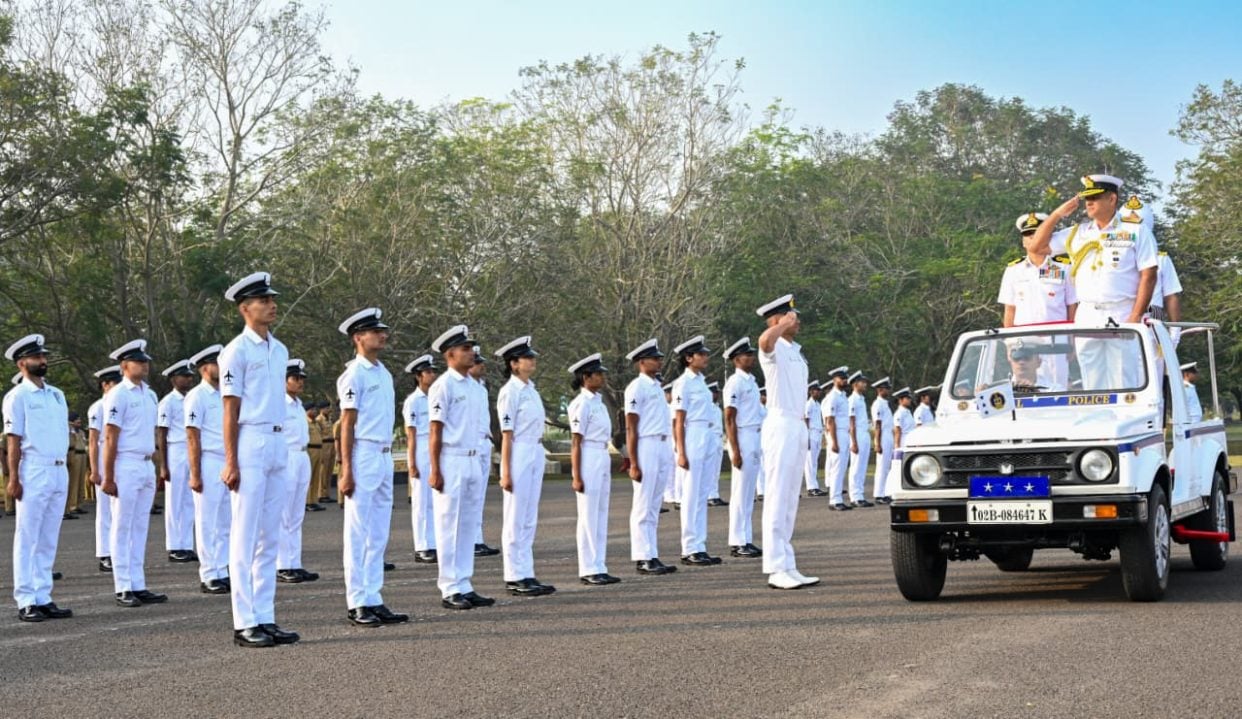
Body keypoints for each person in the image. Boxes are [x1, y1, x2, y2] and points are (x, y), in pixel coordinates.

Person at [218, 271, 299, 648]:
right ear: (245, 308)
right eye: (264, 301)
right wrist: (230, 459)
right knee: (245, 535)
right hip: (250, 441)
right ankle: (244, 621)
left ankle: (265, 615)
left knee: (271, 535)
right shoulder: (235, 351)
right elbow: (230, 409)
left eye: (272, 300)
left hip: (278, 440)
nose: (272, 305)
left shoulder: (279, 349)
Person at [1033, 174, 1158, 389]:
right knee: (1092, 382)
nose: (1089, 203)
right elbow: (1036, 247)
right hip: (1088, 312)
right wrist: (1056, 214)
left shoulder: (1135, 230)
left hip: (1122, 311)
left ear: (1112, 199)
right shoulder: (1078, 233)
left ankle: (1124, 421)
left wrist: (1135, 315)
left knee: (1123, 380)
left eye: (1096, 197)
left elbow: (1149, 273)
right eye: (1086, 199)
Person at [336, 308, 405, 627]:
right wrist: (345, 468)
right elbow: (346, 425)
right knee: (358, 531)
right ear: (358, 337)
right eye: (375, 331)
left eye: (383, 330)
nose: (382, 335)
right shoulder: (354, 375)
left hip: (383, 454)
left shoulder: (383, 373)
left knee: (378, 532)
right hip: (362, 453)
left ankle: (374, 596)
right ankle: (357, 601)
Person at [4, 334, 73, 622]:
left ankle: (44, 595)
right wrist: (13, 477)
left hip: (59, 469)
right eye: (36, 358)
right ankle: (26, 599)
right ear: (22, 363)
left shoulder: (56, 394)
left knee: (48, 537)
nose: (43, 361)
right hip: (33, 470)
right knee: (28, 537)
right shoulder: (17, 396)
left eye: (43, 357)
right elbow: (13, 440)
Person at [428, 325, 495, 610]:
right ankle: (449, 586)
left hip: (473, 457)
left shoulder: (475, 387)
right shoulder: (443, 385)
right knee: (449, 524)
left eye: (472, 348)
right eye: (465, 349)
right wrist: (435, 468)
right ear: (450, 354)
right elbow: (435, 430)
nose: (471, 353)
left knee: (468, 523)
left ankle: (465, 582)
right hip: (451, 458)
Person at [755, 295, 819, 590]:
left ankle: (788, 563)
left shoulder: (795, 350)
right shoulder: (774, 345)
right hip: (779, 422)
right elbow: (763, 342)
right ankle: (775, 567)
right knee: (778, 497)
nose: (798, 320)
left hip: (797, 423)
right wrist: (781, 325)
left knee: (791, 497)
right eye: (792, 315)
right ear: (777, 318)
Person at [101, 339, 167, 609]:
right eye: (139, 361)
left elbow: (152, 433)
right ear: (124, 366)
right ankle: (123, 586)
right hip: (125, 463)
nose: (144, 365)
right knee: (122, 526)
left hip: (144, 462)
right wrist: (108, 475)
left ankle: (138, 583)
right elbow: (110, 436)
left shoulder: (149, 394)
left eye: (145, 361)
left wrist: (158, 465)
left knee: (140, 526)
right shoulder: (118, 394)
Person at [494, 336, 554, 597]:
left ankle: (527, 572)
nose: (533, 361)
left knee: (529, 516)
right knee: (515, 517)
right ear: (514, 364)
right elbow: (506, 434)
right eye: (527, 358)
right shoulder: (510, 392)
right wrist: (505, 471)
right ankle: (514, 574)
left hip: (535, 449)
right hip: (518, 450)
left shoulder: (531, 389)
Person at [623, 338, 677, 576]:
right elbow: (631, 428)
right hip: (646, 445)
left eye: (659, 358)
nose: (659, 361)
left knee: (655, 504)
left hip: (662, 445)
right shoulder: (637, 387)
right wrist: (633, 462)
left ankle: (652, 553)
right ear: (642, 362)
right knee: (643, 505)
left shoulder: (656, 386)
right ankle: (642, 556)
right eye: (654, 358)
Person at [566, 353, 620, 586]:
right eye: (598, 373)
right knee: (588, 515)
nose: (602, 377)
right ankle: (588, 567)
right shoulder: (581, 404)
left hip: (601, 453)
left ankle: (599, 564)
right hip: (587, 455)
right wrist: (576, 475)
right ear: (586, 377)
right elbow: (576, 442)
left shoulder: (597, 402)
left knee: (600, 514)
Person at [670, 335, 722, 567]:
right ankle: (689, 547)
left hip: (707, 435)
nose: (705, 358)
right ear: (688, 358)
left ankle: (700, 545)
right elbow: (678, 421)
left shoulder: (700, 381)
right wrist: (680, 451)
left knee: (702, 494)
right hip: (692, 436)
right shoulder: (683, 383)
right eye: (700, 354)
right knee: (690, 495)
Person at [184, 344, 231, 595]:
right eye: (216, 363)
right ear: (205, 368)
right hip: (209, 459)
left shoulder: (226, 393)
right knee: (207, 520)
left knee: (225, 521)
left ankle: (222, 569)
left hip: (227, 460)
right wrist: (195, 473)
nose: (222, 367)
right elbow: (192, 436)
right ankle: (209, 573)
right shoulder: (197, 396)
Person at [276, 359, 319, 585]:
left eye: (302, 378)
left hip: (302, 456)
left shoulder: (298, 403)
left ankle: (295, 562)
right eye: (296, 378)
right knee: (284, 514)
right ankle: (283, 564)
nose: (300, 382)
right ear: (284, 381)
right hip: (288, 456)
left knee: (296, 515)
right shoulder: (279, 403)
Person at [999, 212, 1078, 327]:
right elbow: (1010, 309)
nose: (1032, 237)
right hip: (1023, 339)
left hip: (1057, 337)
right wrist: (1009, 342)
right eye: (1028, 234)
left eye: (1037, 233)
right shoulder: (1013, 270)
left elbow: (1072, 306)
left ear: (1048, 238)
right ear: (1023, 242)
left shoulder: (1065, 267)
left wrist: (1071, 338)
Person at [722, 337, 762, 558]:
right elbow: (729, 418)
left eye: (752, 354)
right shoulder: (735, 383)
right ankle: (737, 541)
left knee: (748, 493)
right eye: (747, 355)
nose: (751, 358)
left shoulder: (751, 381)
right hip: (742, 436)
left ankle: (746, 538)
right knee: (740, 492)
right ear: (737, 359)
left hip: (754, 435)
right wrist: (734, 450)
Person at [158, 359, 198, 563]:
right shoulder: (168, 402)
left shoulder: (193, 399)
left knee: (190, 500)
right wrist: (163, 465)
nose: (189, 379)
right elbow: (161, 434)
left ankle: (186, 544)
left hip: (191, 450)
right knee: (174, 501)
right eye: (185, 376)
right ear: (174, 379)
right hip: (175, 450)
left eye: (190, 376)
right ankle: (174, 546)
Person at [402, 354, 438, 564]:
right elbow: (411, 434)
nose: (432, 375)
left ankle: (433, 542)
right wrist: (412, 463)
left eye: (433, 371)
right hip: (421, 449)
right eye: (428, 372)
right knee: (421, 501)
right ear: (418, 376)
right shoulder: (413, 401)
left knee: (434, 500)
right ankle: (422, 545)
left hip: (434, 447)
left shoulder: (435, 397)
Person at [88, 366, 122, 573]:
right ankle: (105, 553)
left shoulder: (119, 402)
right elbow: (93, 441)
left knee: (119, 508)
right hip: (102, 453)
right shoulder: (98, 407)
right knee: (105, 510)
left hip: (120, 455)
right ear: (105, 385)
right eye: (114, 383)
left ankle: (117, 551)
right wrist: (95, 470)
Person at [468, 347, 499, 558]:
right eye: (478, 362)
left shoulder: (481, 387)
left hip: (484, 442)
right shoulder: (464, 387)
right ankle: (470, 540)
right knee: (470, 497)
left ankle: (477, 538)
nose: (482, 366)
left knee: (479, 496)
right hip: (470, 445)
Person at [820, 366, 851, 511]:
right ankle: (835, 499)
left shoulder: (842, 396)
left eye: (845, 378)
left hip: (844, 433)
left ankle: (837, 497)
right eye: (841, 378)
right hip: (836, 433)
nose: (844, 381)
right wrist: (834, 441)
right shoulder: (832, 397)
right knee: (837, 468)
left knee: (842, 467)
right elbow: (830, 421)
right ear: (834, 380)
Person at [846, 371, 873, 508]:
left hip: (864, 433)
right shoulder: (852, 400)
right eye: (862, 382)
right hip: (857, 435)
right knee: (856, 467)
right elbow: (851, 422)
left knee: (862, 467)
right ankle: (855, 496)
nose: (865, 385)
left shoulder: (861, 399)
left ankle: (860, 494)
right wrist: (854, 442)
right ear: (855, 384)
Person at [870, 378, 895, 505]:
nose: (888, 391)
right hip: (883, 436)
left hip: (888, 435)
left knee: (887, 467)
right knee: (881, 467)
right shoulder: (878, 404)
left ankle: (885, 492)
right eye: (886, 388)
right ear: (880, 390)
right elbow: (877, 425)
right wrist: (877, 443)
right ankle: (879, 494)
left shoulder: (885, 403)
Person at [705, 381, 727, 507]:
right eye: (715, 392)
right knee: (710, 468)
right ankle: (710, 496)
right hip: (710, 438)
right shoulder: (706, 406)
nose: (717, 395)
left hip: (718, 438)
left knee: (716, 469)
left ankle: (714, 494)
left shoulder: (717, 407)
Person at [803, 381, 826, 497]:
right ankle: (811, 487)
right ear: (811, 392)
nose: (819, 392)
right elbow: (806, 420)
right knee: (809, 462)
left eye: (819, 390)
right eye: (816, 390)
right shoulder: (809, 404)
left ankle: (815, 485)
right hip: (811, 433)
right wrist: (806, 437)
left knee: (814, 462)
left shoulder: (817, 404)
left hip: (817, 433)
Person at [304, 402, 325, 512]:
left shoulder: (316, 423)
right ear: (306, 411)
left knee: (316, 477)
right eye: (311, 410)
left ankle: (313, 501)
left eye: (314, 409)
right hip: (310, 449)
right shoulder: (305, 422)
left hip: (319, 449)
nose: (314, 411)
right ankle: (307, 502)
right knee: (309, 477)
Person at [64, 413, 86, 521]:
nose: (79, 423)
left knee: (80, 482)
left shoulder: (81, 432)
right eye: (77, 421)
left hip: (82, 455)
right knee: (73, 482)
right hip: (74, 454)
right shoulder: (68, 429)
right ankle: (72, 505)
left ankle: (78, 504)